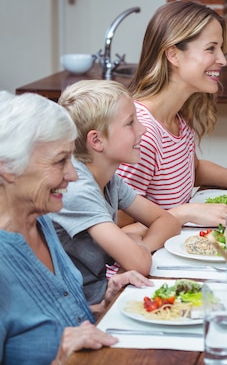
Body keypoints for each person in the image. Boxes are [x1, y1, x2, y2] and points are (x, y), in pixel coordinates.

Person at [0, 91, 153, 365]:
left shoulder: (42, 221)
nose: (72, 175)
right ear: (7, 168)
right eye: (60, 161)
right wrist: (58, 359)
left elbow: (52, 327)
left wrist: (102, 307)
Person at [115, 1, 227, 226]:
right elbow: (116, 227)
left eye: (221, 49)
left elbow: (194, 169)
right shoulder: (143, 133)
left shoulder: (176, 120)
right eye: (211, 48)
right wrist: (183, 215)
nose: (222, 59)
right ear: (173, 54)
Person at [49, 80, 180, 305]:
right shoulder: (77, 188)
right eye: (130, 123)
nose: (143, 129)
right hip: (82, 308)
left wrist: (141, 245)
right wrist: (134, 247)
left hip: (103, 294)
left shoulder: (109, 179)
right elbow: (139, 264)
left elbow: (167, 220)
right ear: (97, 140)